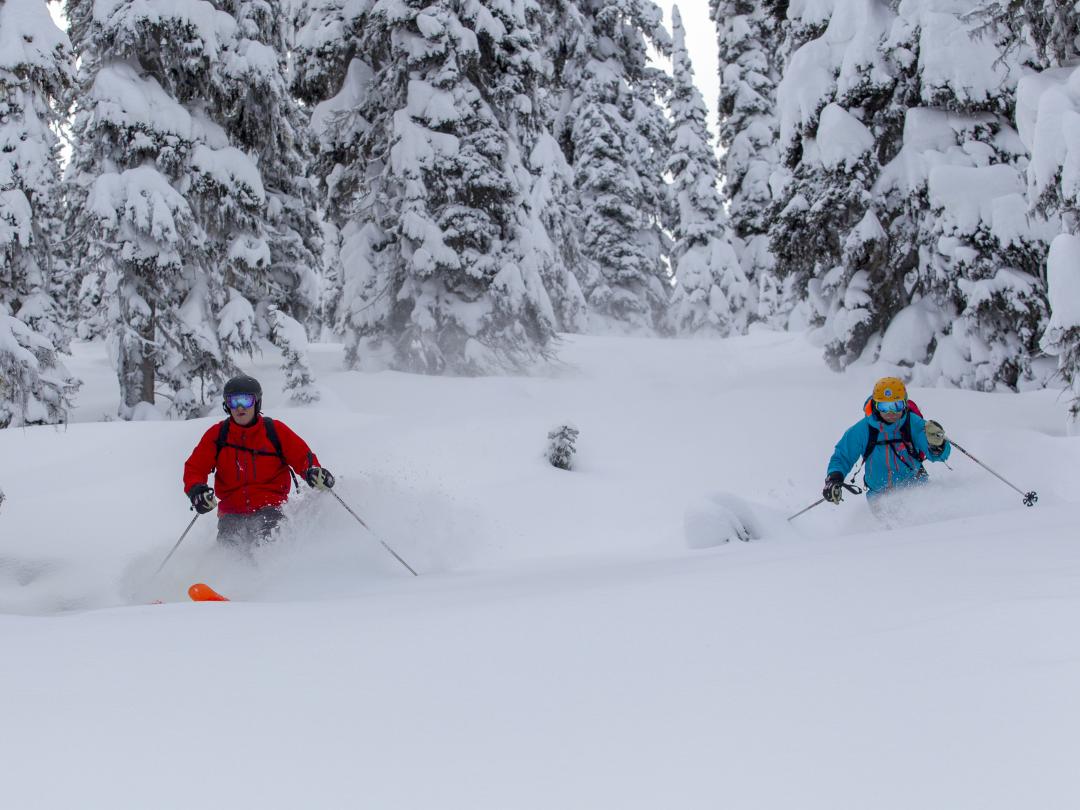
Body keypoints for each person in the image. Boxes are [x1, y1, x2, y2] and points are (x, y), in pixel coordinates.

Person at [183, 375, 335, 548]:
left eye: (246, 401)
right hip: (231, 512)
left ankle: (279, 564)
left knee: (270, 544)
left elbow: (301, 456)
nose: (240, 407)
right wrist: (197, 490)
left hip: (270, 508)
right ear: (227, 405)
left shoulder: (274, 431)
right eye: (234, 401)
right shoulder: (218, 435)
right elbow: (195, 467)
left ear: (257, 403)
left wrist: (312, 471)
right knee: (229, 552)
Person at [823, 377, 951, 510]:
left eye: (897, 406)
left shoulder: (913, 423)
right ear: (875, 405)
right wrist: (834, 477)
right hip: (879, 498)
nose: (891, 412)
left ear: (905, 403)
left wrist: (938, 445)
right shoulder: (863, 430)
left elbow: (938, 455)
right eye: (884, 407)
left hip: (917, 490)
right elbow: (843, 456)